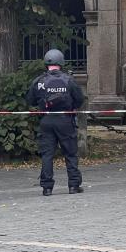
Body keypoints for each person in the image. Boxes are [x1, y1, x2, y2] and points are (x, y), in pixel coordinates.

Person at [25, 49, 85, 196]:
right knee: (70, 153)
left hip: (46, 120)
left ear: (46, 63)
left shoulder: (39, 81)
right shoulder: (68, 80)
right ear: (61, 62)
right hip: (65, 120)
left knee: (47, 154)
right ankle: (73, 185)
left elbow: (30, 100)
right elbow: (79, 99)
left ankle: (47, 188)